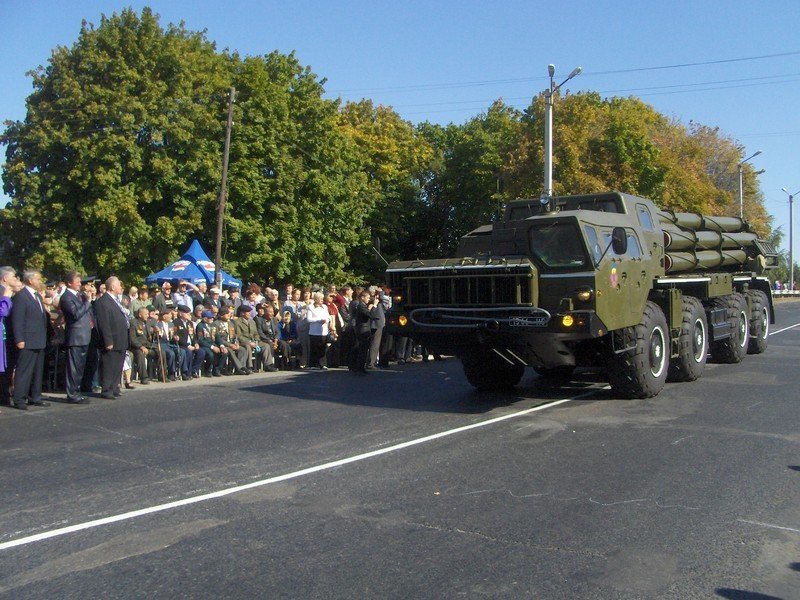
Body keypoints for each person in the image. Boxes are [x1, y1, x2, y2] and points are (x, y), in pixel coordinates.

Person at [10, 270, 51, 409]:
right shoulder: (21, 297)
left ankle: (35, 396)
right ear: (30, 280)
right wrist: (19, 339)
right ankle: (19, 399)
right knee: (24, 371)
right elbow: (18, 320)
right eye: (38, 279)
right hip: (27, 340)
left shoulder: (37, 296)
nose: (41, 282)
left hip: (39, 339)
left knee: (37, 371)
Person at [59, 271, 95, 404]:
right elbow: (75, 314)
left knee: (80, 367)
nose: (80, 284)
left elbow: (88, 312)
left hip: (85, 335)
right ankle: (72, 394)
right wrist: (87, 303)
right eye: (77, 281)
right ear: (69, 283)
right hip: (75, 337)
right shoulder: (66, 297)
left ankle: (77, 391)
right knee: (73, 368)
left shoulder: (80, 295)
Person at [93, 276, 130, 399]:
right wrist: (108, 340)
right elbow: (104, 323)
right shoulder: (103, 301)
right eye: (119, 285)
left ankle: (115, 386)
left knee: (118, 365)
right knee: (109, 365)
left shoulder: (116, 300)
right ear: (113, 287)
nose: (121, 287)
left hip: (121, 339)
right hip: (112, 339)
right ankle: (106, 389)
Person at [0, 267, 22, 406]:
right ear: (5, 278)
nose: (16, 279)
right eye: (13, 277)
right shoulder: (3, 291)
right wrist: (7, 298)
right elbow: (3, 312)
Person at [349, 289, 377, 375]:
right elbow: (370, 315)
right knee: (362, 350)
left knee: (363, 350)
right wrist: (374, 306)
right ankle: (359, 368)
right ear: (362, 297)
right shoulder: (361, 305)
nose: (369, 299)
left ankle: (361, 367)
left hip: (364, 328)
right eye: (367, 297)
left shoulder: (363, 305)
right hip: (362, 329)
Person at [173, 304, 204, 379]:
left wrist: (196, 343)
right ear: (180, 313)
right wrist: (187, 346)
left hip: (191, 345)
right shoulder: (176, 322)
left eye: (189, 313)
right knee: (188, 352)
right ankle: (186, 373)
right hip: (182, 345)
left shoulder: (189, 323)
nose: (188, 314)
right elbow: (177, 337)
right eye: (186, 313)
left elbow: (193, 335)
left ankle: (194, 370)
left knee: (201, 352)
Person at [305, 291, 330, 370]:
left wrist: (326, 320)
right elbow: (308, 319)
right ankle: (313, 364)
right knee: (314, 348)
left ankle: (323, 364)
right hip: (314, 331)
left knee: (323, 348)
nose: (322, 300)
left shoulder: (325, 307)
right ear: (315, 299)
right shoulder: (311, 307)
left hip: (323, 331)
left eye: (322, 298)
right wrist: (319, 320)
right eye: (320, 298)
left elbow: (328, 317)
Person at [129, 306, 152, 385]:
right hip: (136, 347)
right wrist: (140, 346)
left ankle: (162, 375)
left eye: (148, 314)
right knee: (140, 354)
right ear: (140, 315)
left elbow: (149, 336)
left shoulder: (147, 322)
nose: (147, 316)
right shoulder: (133, 322)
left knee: (160, 352)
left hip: (147, 345)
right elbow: (132, 339)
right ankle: (144, 377)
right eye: (145, 314)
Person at [233, 305, 260, 373]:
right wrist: (249, 342)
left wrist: (256, 341)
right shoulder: (238, 322)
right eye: (247, 312)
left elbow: (256, 333)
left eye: (249, 312)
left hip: (254, 341)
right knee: (247, 347)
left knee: (266, 346)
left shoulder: (252, 322)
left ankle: (268, 365)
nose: (249, 313)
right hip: (242, 342)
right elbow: (238, 335)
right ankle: (249, 366)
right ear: (242, 313)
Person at [254, 303, 280, 372]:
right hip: (264, 339)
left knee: (284, 344)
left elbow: (277, 332)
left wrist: (276, 341)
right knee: (268, 345)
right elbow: (260, 333)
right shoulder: (259, 320)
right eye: (270, 312)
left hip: (274, 339)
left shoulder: (273, 319)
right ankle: (269, 365)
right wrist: (269, 340)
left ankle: (285, 363)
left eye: (272, 312)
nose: (272, 313)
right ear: (265, 312)